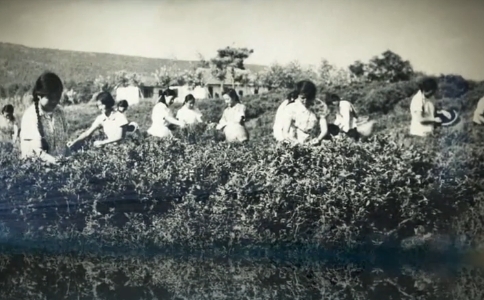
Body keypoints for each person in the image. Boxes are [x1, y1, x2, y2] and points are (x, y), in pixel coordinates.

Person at [20, 71, 69, 164]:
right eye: (50, 97)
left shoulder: (60, 112)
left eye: (57, 97)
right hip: (39, 171)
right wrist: (57, 162)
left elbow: (64, 145)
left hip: (60, 168)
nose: (54, 101)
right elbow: (37, 152)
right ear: (39, 95)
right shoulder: (30, 116)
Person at [279, 80, 329, 145]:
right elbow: (285, 132)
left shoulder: (320, 106)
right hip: (296, 141)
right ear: (298, 95)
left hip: (315, 141)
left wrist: (318, 139)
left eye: (309, 98)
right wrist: (295, 142)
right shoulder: (291, 108)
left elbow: (324, 129)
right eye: (302, 98)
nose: (305, 101)